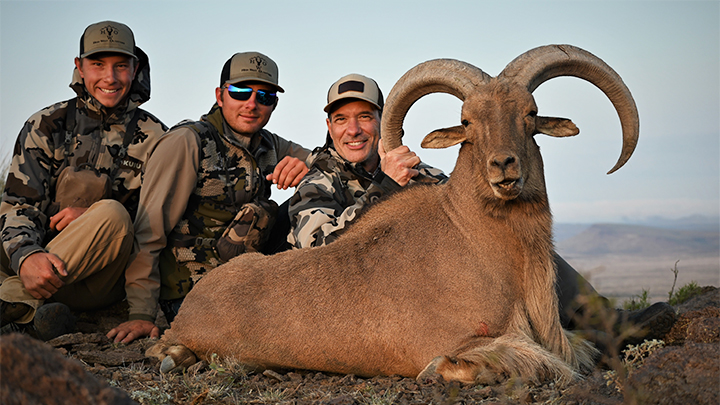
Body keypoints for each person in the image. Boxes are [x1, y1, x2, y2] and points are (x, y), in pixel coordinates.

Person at [288, 73, 676, 351]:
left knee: (522, 242)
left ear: (379, 122)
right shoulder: (315, 184)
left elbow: (473, 219)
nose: (353, 130)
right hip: (372, 303)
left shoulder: (423, 174)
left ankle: (607, 322)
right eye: (342, 119)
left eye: (364, 117)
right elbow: (325, 256)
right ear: (329, 126)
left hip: (440, 287)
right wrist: (387, 187)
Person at [107, 52, 311, 343]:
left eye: (264, 96)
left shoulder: (269, 144)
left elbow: (327, 162)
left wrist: (307, 168)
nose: (251, 104)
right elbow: (149, 233)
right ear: (220, 95)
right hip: (193, 293)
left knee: (311, 197)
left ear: (274, 105)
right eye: (240, 92)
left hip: (246, 277)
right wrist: (141, 314)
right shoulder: (187, 141)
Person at [0, 21, 168, 341]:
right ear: (79, 66)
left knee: (111, 215)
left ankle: (14, 302)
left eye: (121, 66)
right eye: (97, 64)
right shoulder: (46, 124)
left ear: (135, 68)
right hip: (31, 255)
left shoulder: (158, 139)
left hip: (94, 278)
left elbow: (155, 226)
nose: (110, 77)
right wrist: (26, 255)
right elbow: (20, 204)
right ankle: (35, 314)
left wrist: (90, 219)